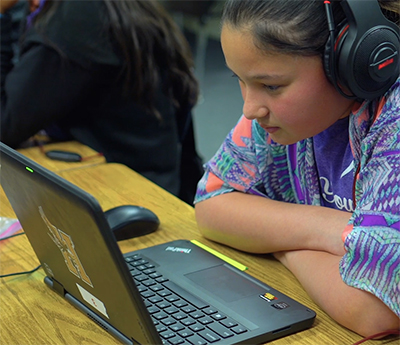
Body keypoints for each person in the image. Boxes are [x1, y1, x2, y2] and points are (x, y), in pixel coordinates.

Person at [194, 0, 400, 338]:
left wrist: (278, 243)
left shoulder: (393, 116)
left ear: (351, 63)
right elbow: (211, 203)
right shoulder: (276, 118)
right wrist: (325, 230)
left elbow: (376, 309)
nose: (250, 108)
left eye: (271, 86)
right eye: (241, 80)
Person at [0, 0, 202, 204]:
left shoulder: (75, 17)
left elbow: (4, 125)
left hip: (125, 194)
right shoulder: (115, 6)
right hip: (156, 181)